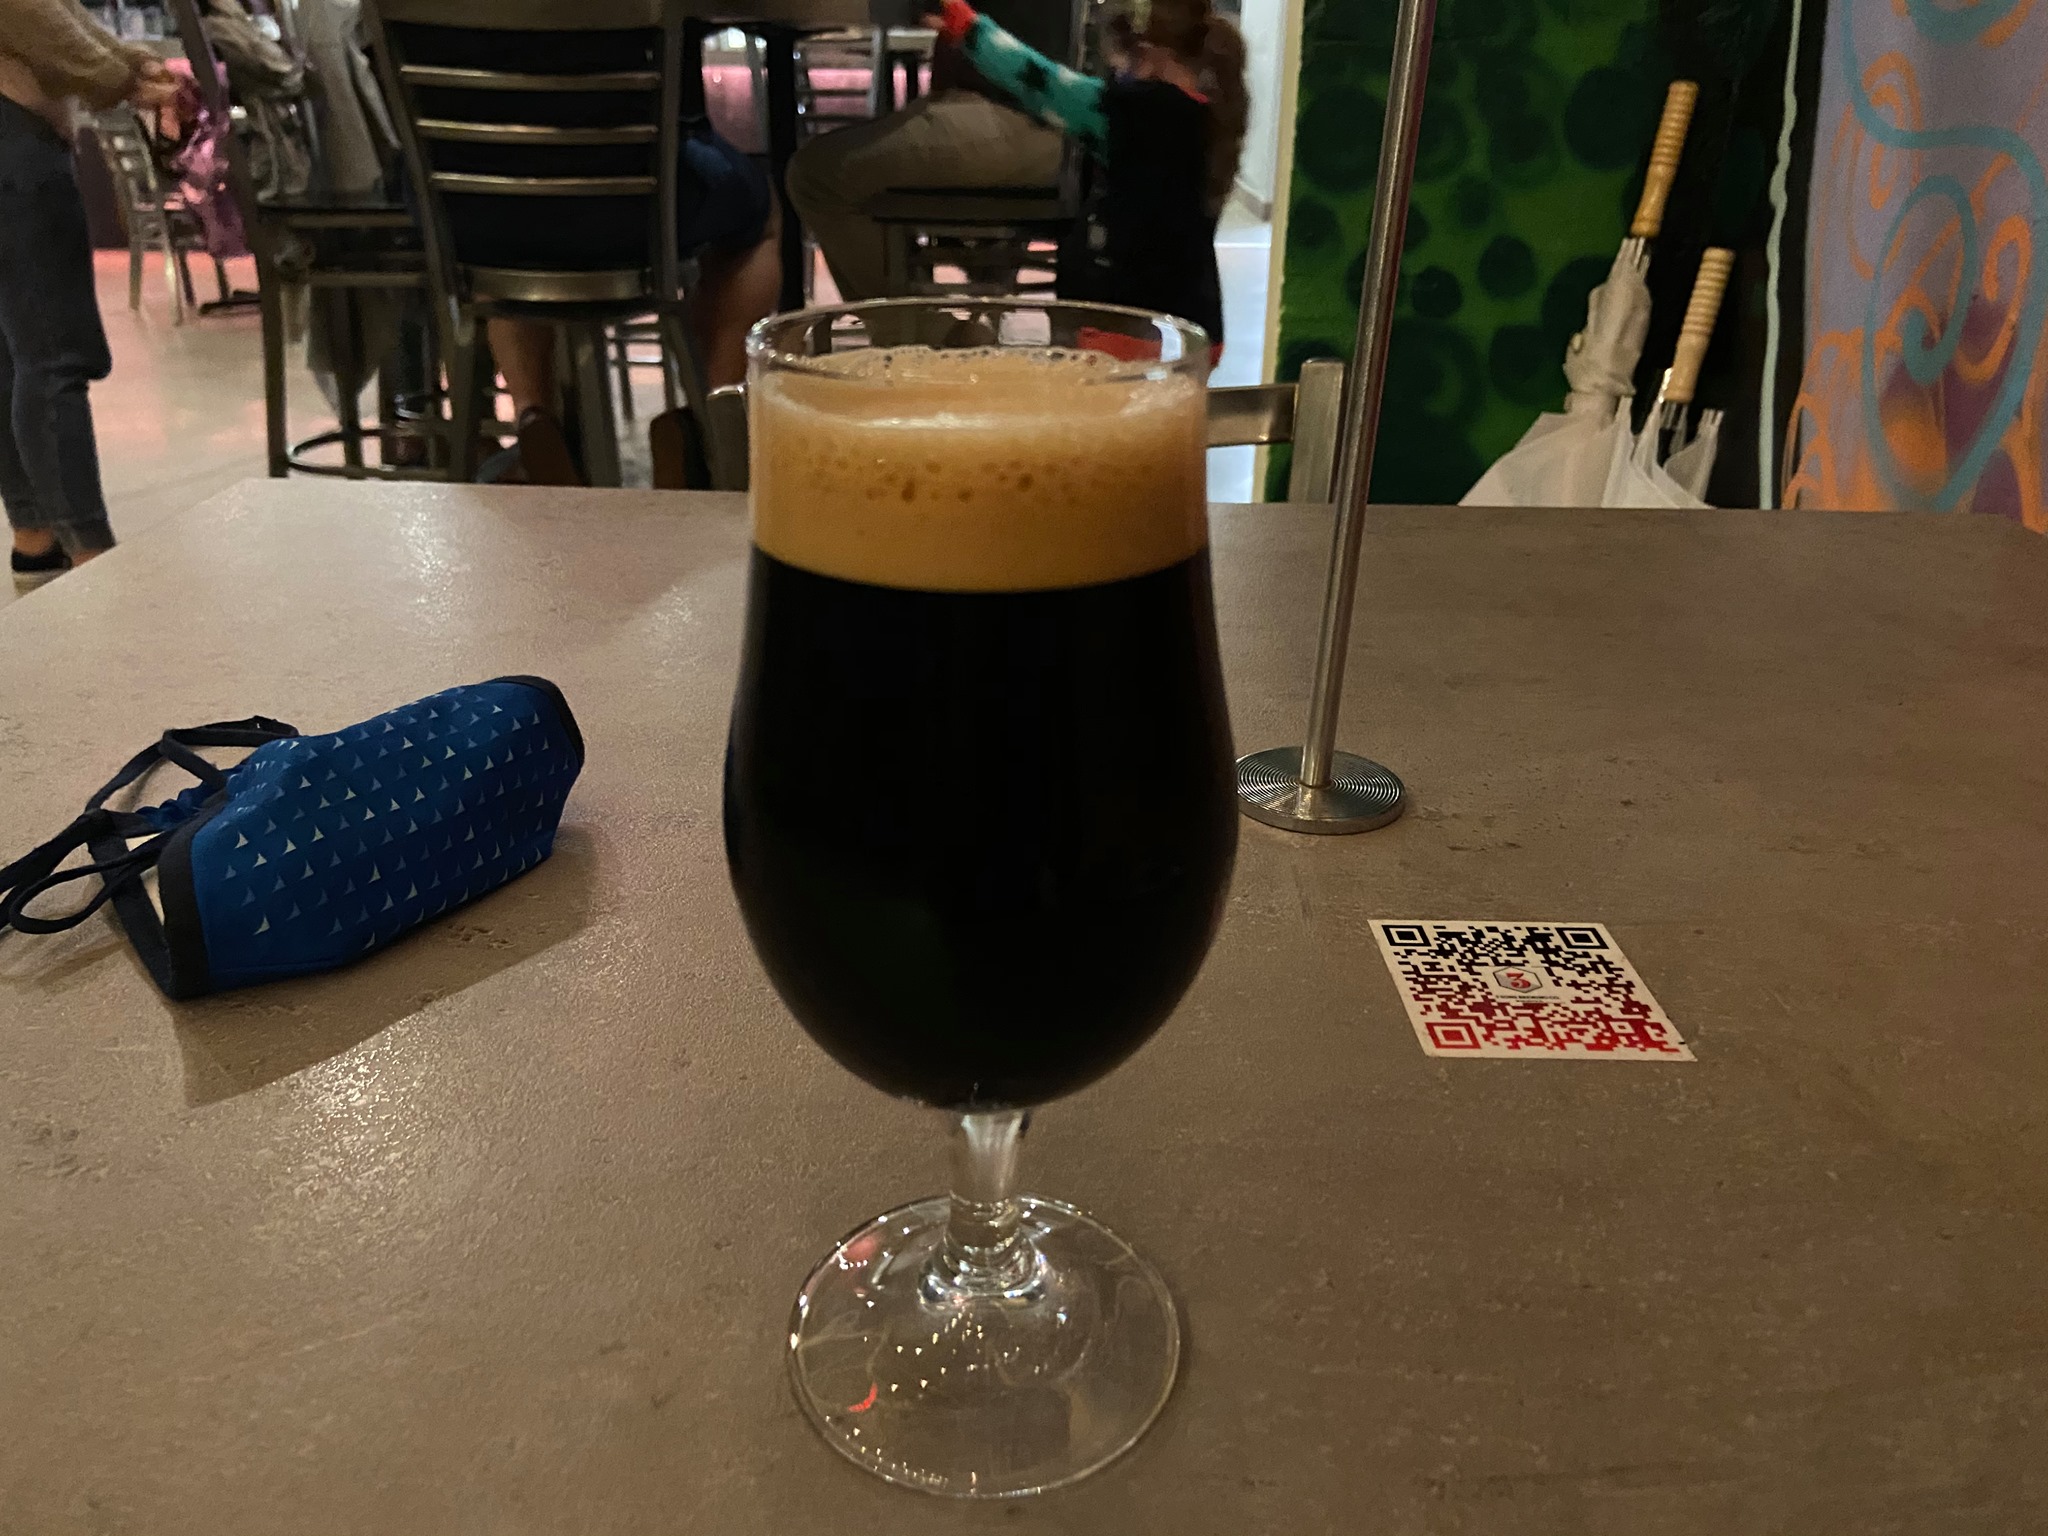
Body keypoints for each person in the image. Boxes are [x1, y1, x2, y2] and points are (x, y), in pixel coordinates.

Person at [390, 24, 779, 487]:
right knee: (758, 222)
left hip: (464, 204)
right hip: (635, 199)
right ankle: (712, 440)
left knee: (503, 221)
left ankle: (536, 424)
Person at [929, 0, 1247, 358]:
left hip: (1119, 319)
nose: (1115, 77)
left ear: (1148, 55)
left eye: (1119, 67)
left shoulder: (1135, 113)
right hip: (1194, 319)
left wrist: (969, 28)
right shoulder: (1210, 115)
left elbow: (1039, 80)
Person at [0, 0, 179, 590]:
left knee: (12, 352)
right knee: (52, 353)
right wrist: (120, 76)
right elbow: (33, 12)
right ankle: (90, 556)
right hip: (11, 133)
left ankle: (36, 536)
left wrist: (126, 61)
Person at [784, 0, 1067, 305]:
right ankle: (928, 321)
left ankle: (924, 329)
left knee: (817, 176)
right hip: (1044, 111)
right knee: (852, 169)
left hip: (1041, 116)